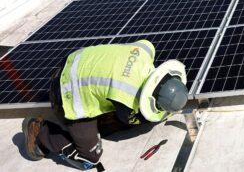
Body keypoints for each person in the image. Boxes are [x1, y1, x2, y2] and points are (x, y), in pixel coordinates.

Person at [21, 40, 188, 170]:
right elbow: (129, 119)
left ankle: (93, 116)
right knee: (89, 158)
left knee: (113, 110)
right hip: (64, 92)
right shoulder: (128, 95)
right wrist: (157, 116)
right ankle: (39, 131)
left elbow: (140, 45)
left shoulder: (146, 50)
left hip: (72, 60)